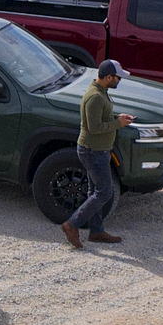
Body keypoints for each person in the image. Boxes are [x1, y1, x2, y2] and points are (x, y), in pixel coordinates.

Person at [61, 59, 133, 248]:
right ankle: (72, 224)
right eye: (118, 78)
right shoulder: (95, 97)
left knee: (94, 191)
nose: (119, 81)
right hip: (93, 151)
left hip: (98, 150)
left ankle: (97, 230)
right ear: (108, 77)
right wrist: (118, 124)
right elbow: (94, 128)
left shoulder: (101, 93)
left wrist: (117, 118)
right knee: (104, 192)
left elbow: (102, 118)